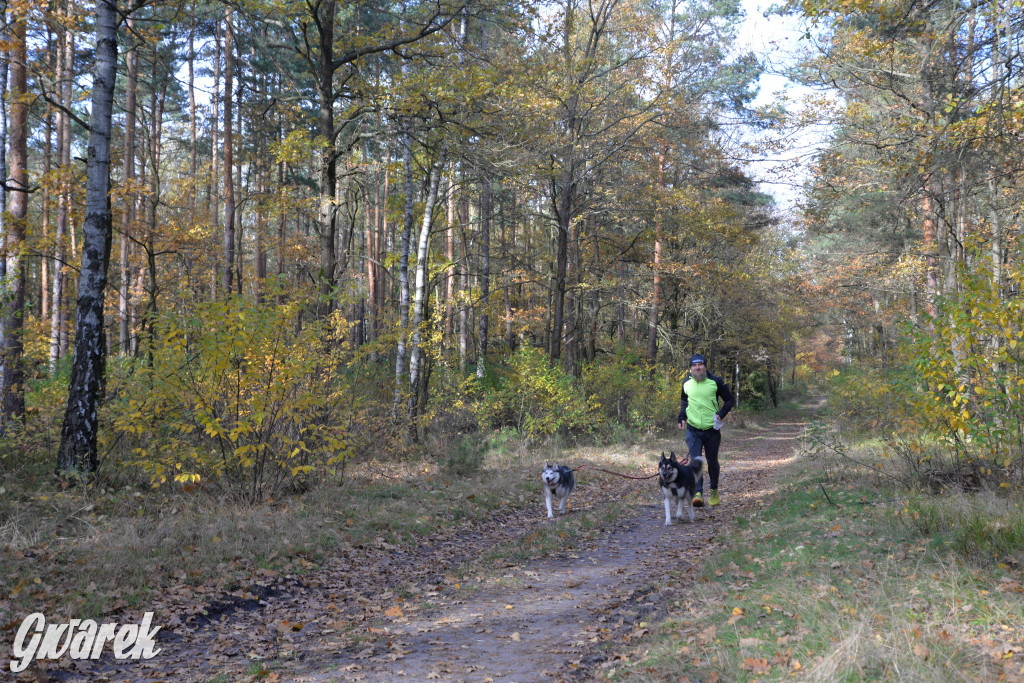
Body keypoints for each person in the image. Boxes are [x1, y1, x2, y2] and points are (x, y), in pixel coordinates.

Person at [677, 354, 734, 507]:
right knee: (695, 461)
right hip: (693, 429)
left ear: (705, 366)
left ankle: (714, 489)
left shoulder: (716, 381)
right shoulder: (686, 383)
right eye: (694, 365)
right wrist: (682, 417)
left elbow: (730, 400)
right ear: (690, 368)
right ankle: (698, 493)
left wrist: (721, 414)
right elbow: (684, 401)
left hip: (711, 430)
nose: (697, 367)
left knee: (712, 461)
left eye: (700, 364)